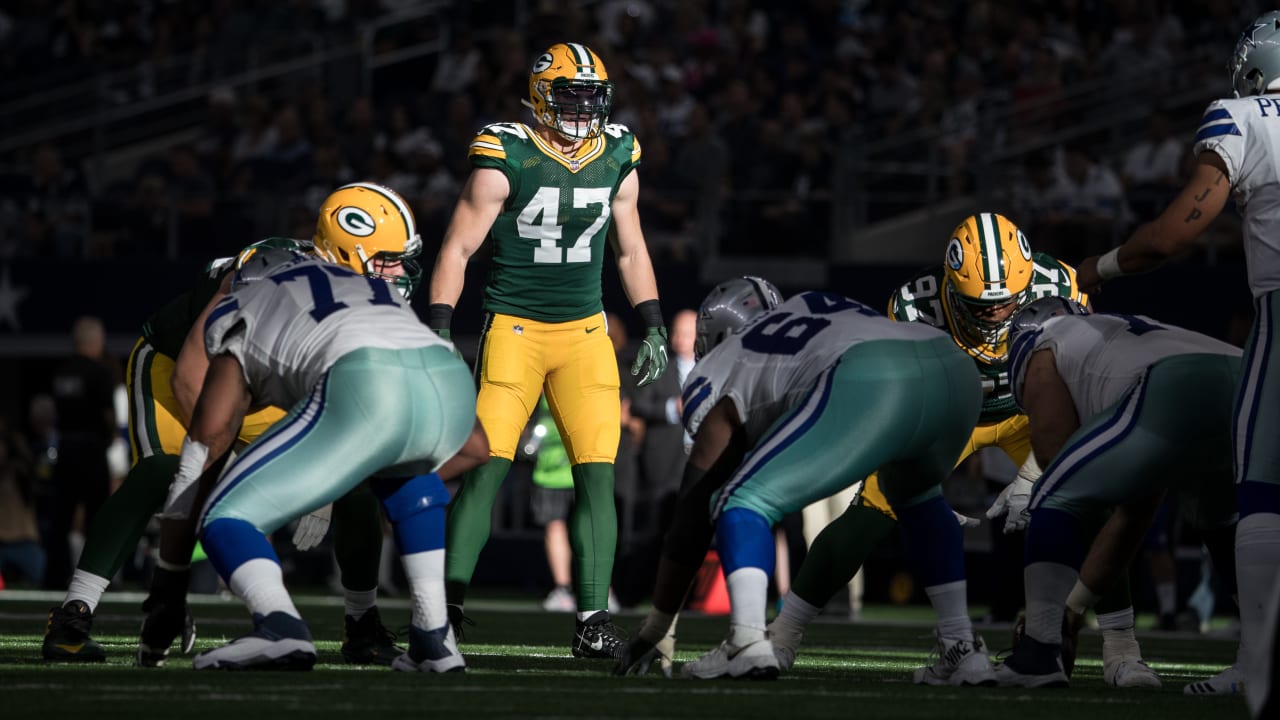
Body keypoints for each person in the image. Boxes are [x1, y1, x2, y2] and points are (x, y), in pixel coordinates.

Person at [766, 212, 1158, 687]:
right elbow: (905, 392)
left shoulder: (1060, 284)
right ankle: (783, 634)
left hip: (1031, 407)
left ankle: (1122, 650)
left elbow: (1079, 372)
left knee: (1092, 499)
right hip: (950, 407)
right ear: (951, 287)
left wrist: (1045, 462)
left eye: (1006, 302)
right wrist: (916, 476)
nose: (996, 313)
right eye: (981, 305)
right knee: (874, 506)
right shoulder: (915, 305)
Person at [40, 183, 415, 667]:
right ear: (347, 249)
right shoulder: (268, 272)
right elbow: (190, 378)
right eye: (389, 259)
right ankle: (73, 615)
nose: (399, 272)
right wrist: (227, 463)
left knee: (356, 486)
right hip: (178, 364)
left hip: (259, 385)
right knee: (163, 471)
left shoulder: (365, 301)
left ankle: (362, 626)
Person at [619, 277, 994, 685]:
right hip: (954, 369)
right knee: (917, 496)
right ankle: (960, 645)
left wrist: (657, 626)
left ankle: (746, 641)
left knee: (740, 500)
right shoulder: (810, 305)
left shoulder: (725, 362)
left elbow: (692, 513)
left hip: (874, 376)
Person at [428, 42, 669, 659]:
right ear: (541, 96)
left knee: (597, 474)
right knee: (486, 469)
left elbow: (631, 249)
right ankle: (443, 612)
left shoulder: (618, 152)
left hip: (586, 333)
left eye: (592, 97)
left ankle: (592, 620)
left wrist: (652, 322)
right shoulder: (505, 152)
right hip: (514, 328)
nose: (583, 108)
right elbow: (457, 248)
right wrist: (439, 327)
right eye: (571, 95)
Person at [1074, 13, 1280, 705]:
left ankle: (1259, 663)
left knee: (1261, 491)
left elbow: (1170, 237)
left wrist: (1097, 269)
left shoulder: (1243, 117)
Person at [154, 249, 488, 671]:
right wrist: (369, 473)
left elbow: (208, 439)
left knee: (224, 515)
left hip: (363, 378)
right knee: (409, 477)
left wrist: (168, 584)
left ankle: (278, 624)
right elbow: (476, 447)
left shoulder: (247, 302)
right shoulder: (370, 289)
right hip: (447, 376)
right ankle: (434, 637)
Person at [993, 298, 1239, 689]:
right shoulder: (1113, 340)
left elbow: (1065, 475)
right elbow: (1134, 513)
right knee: (1224, 524)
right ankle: (1260, 657)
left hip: (1173, 382)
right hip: (1243, 375)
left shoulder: (1040, 340)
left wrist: (1053, 620)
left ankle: (1038, 652)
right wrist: (1073, 609)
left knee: (1054, 491)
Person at [44, 316, 116, 591]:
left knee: (60, 517)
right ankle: (97, 577)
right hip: (91, 449)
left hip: (66, 448)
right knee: (98, 518)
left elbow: (52, 412)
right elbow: (107, 413)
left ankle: (54, 576)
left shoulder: (60, 372)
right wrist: (110, 437)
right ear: (96, 341)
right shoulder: (100, 373)